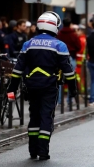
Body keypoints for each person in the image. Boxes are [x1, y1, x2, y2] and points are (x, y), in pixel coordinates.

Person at [7, 11, 77, 160]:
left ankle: (32, 151)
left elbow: (18, 69)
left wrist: (11, 88)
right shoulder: (59, 45)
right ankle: (43, 151)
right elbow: (68, 70)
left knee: (34, 116)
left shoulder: (28, 44)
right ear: (54, 27)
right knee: (46, 116)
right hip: (49, 86)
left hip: (31, 86)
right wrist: (73, 89)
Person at [57, 18, 81, 105]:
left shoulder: (59, 34)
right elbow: (78, 46)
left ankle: (59, 100)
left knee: (59, 79)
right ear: (70, 24)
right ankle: (69, 100)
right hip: (71, 56)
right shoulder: (73, 35)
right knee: (71, 78)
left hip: (59, 57)